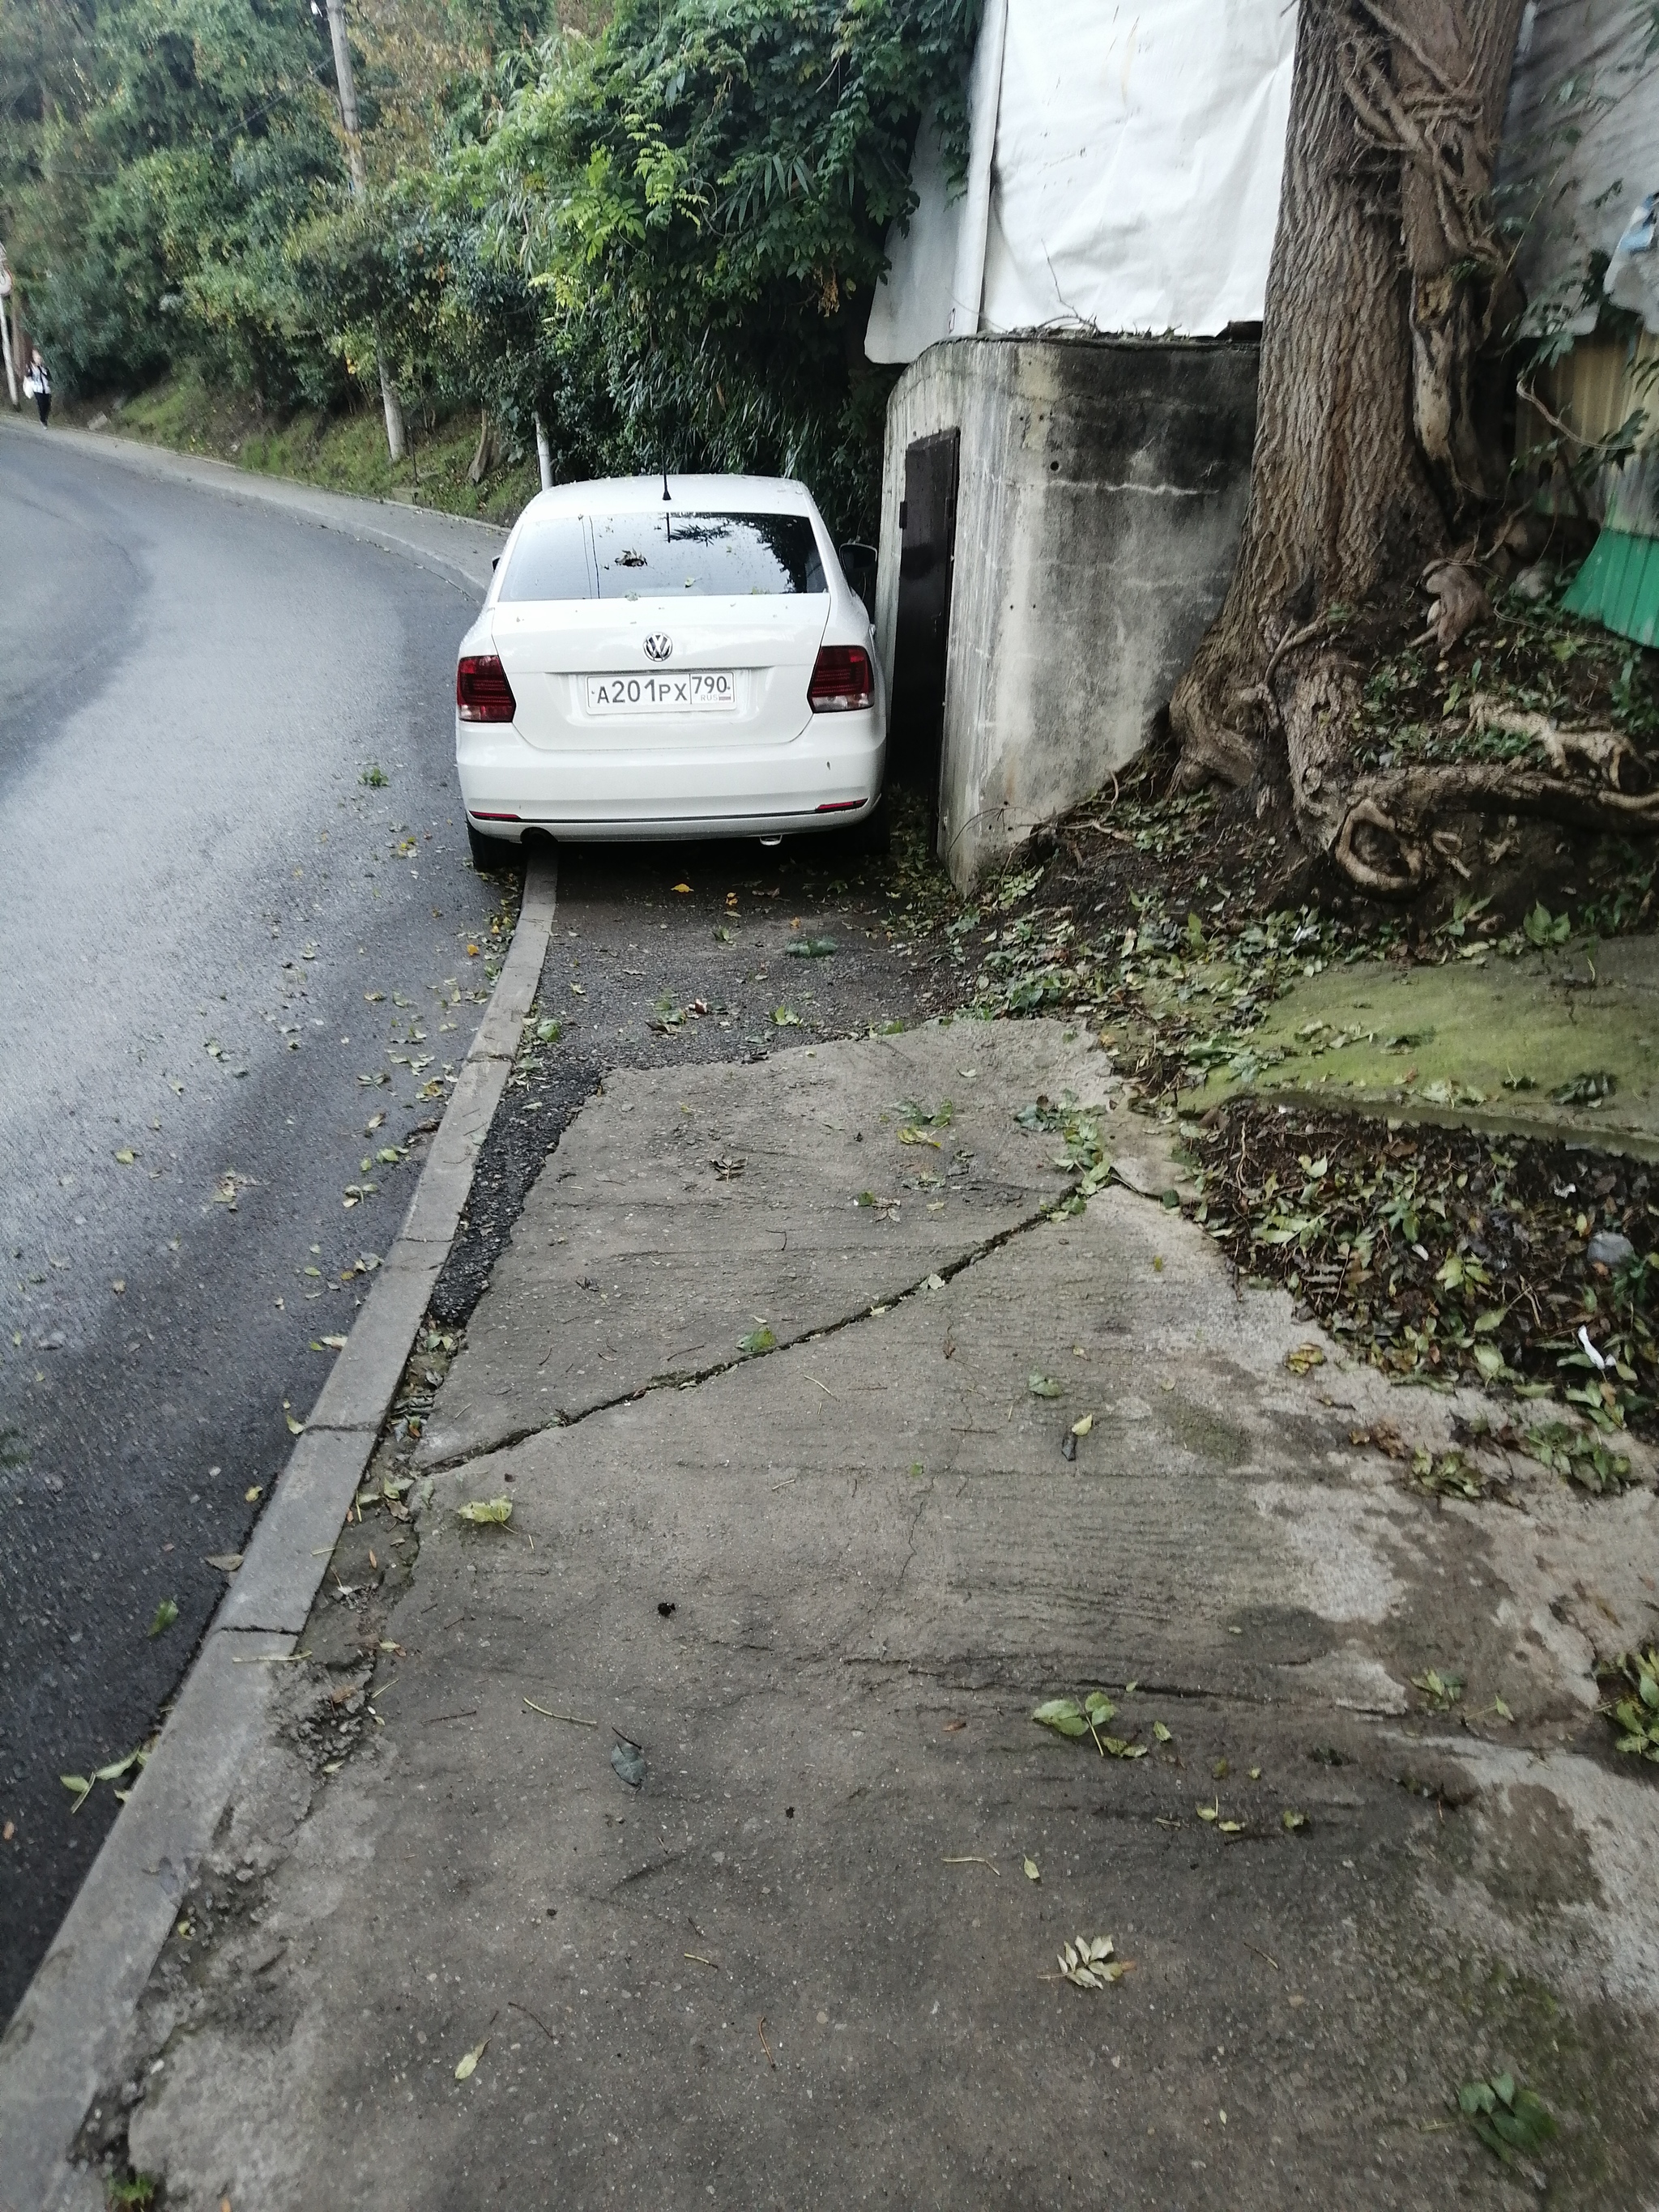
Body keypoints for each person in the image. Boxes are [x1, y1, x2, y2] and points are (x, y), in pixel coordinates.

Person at [23, 347, 49, 425]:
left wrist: (42, 367)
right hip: (37, 388)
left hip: (46, 388)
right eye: (36, 356)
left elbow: (48, 376)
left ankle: (44, 418)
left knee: (47, 405)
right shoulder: (30, 366)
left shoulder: (44, 366)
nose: (38, 358)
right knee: (41, 404)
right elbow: (28, 376)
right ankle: (42, 419)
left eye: (39, 356)